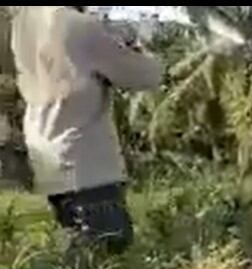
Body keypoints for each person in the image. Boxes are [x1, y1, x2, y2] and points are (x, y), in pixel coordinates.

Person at [10, 6, 161, 253]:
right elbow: (144, 75)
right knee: (109, 252)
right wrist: (143, 47)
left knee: (80, 249)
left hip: (49, 161)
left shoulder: (24, 26)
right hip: (86, 165)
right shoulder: (81, 26)